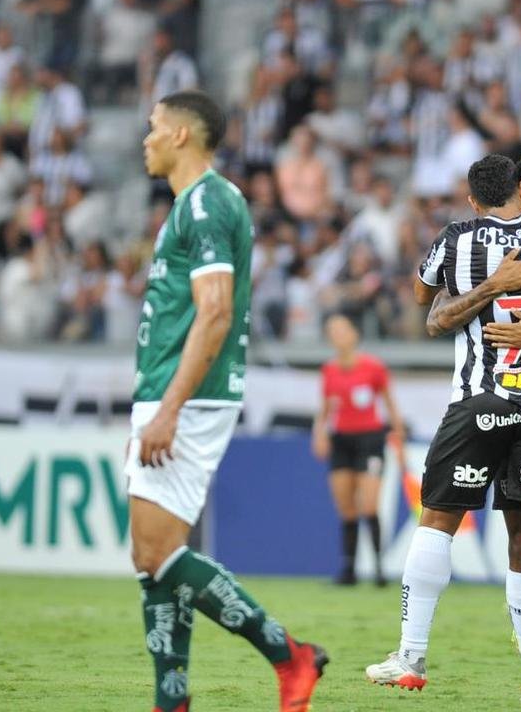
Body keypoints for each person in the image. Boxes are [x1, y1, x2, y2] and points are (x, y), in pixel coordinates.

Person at [365, 154, 521, 703]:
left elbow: (424, 299)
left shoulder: (456, 238)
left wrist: (487, 285)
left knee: (436, 525)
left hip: (479, 403)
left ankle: (411, 655)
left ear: (473, 200)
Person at [124, 90, 327, 712]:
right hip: (174, 390)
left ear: (181, 134)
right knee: (156, 558)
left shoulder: (206, 202)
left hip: (186, 394)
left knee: (155, 552)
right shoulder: (200, 202)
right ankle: (172, 699)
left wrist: (168, 408)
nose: (146, 138)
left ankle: (289, 655)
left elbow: (213, 313)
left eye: (154, 126)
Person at [313, 314, 407, 587]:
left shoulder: (373, 367)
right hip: (341, 440)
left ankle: (378, 567)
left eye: (342, 330)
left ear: (354, 334)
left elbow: (390, 404)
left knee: (369, 504)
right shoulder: (329, 370)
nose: (338, 336)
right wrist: (320, 433)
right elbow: (325, 407)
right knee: (346, 507)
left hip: (370, 439)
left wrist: (398, 439)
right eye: (332, 331)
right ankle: (349, 570)